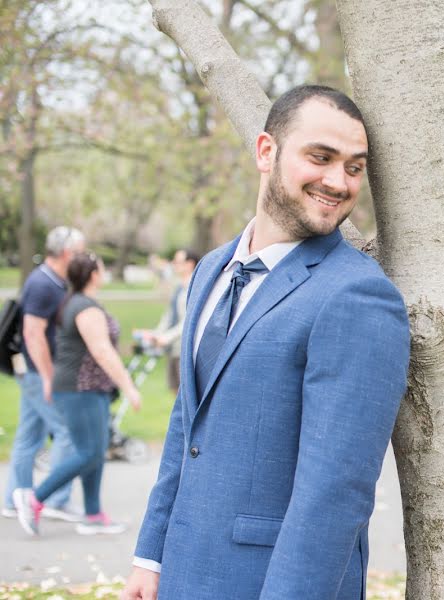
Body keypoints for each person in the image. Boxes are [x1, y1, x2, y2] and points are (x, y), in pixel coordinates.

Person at [121, 85, 410, 600]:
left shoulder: (358, 296)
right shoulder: (211, 269)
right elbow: (188, 425)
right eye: (320, 158)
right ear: (265, 151)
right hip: (184, 574)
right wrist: (151, 556)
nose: (337, 181)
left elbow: (335, 495)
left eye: (353, 167)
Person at [12, 252, 142, 536]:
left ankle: (93, 514)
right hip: (80, 389)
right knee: (89, 452)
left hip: (85, 388)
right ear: (93, 274)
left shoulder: (76, 302)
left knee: (93, 450)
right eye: (102, 268)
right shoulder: (85, 307)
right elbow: (102, 351)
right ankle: (34, 497)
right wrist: (129, 387)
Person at [3, 226, 86, 523]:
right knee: (67, 432)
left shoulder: (55, 282)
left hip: (33, 372)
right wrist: (50, 378)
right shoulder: (42, 284)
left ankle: (15, 498)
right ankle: (54, 499)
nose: (84, 257)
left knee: (29, 435)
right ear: (66, 253)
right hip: (38, 372)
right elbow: (33, 334)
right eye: (80, 252)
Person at [138, 249, 199, 392]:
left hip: (185, 350)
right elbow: (169, 315)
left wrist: (167, 337)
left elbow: (189, 320)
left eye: (178, 262)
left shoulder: (195, 287)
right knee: (173, 389)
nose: (174, 265)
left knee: (184, 395)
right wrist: (156, 333)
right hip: (172, 349)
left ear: (190, 264)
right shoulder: (178, 287)